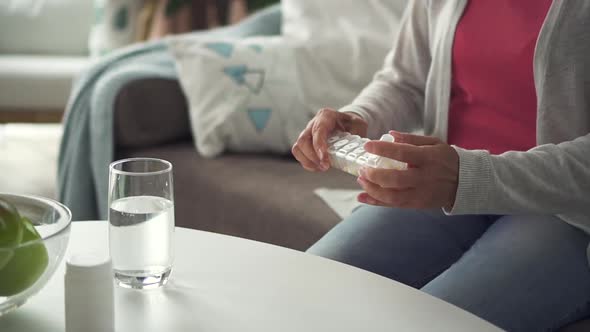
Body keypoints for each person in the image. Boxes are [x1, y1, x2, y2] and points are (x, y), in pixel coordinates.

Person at [291, 1, 590, 331]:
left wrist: (466, 177)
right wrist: (359, 117)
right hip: (445, 185)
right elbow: (405, 80)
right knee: (307, 295)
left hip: (567, 212)